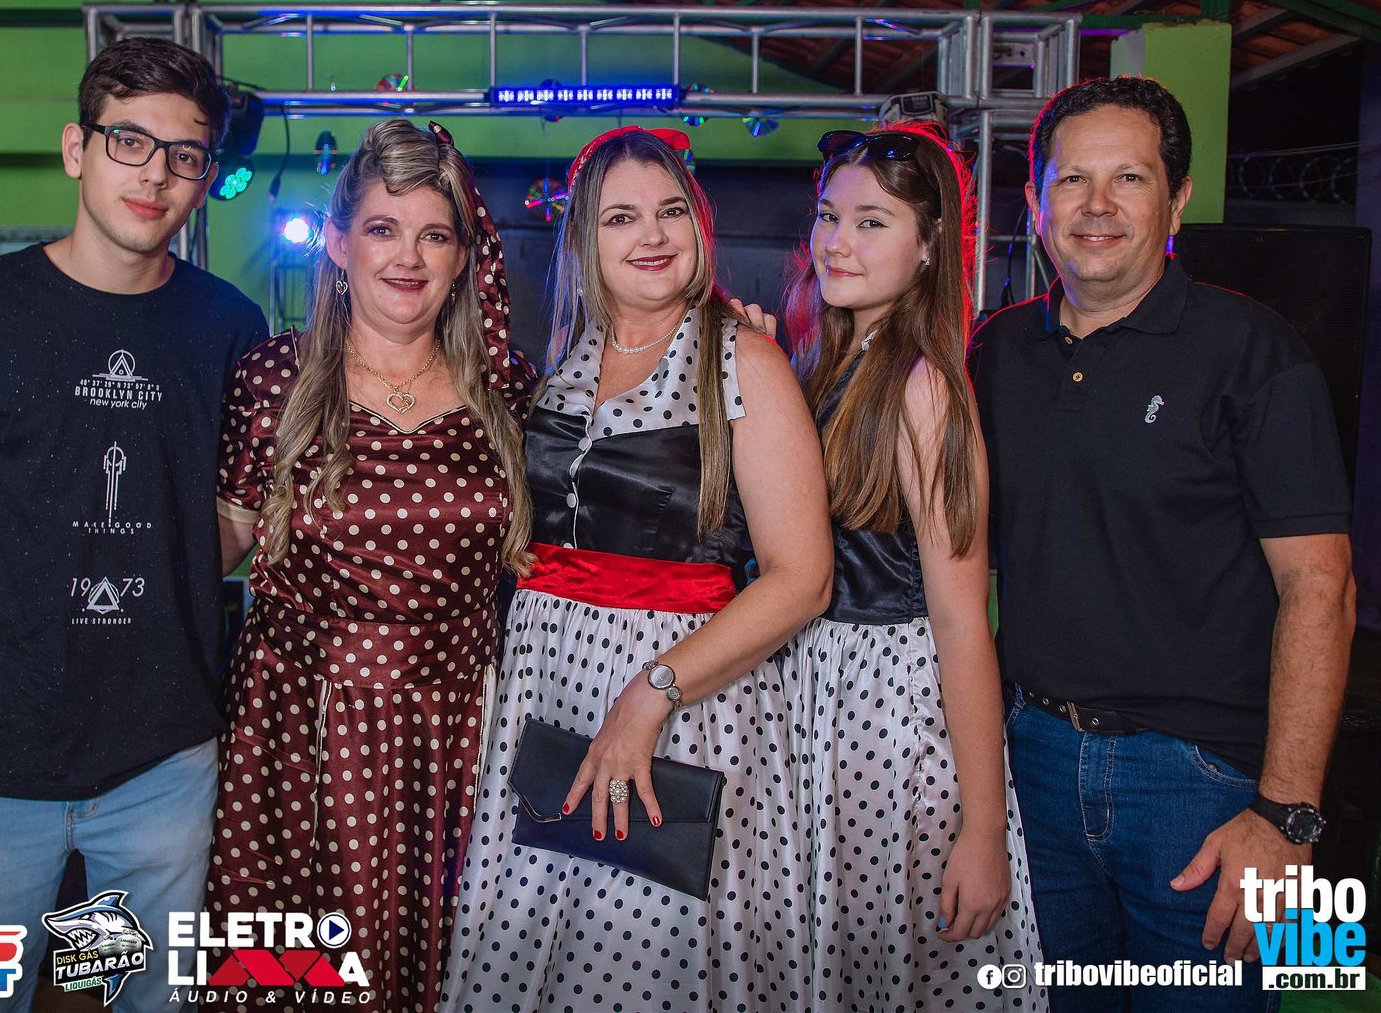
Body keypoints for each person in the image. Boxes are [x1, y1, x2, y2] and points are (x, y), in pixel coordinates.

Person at [0, 37, 268, 1012]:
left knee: (148, 998)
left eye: (184, 154)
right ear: (77, 148)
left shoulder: (231, 328)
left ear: (206, 177)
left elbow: (227, 525)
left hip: (163, 762)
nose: (155, 174)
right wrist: (17, 634)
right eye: (128, 141)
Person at [968, 76, 1355, 1011]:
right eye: (1072, 180)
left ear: (1176, 200)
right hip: (1031, 764)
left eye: (1130, 179)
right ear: (1036, 201)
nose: (1096, 206)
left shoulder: (1256, 349)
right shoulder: (994, 351)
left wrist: (1287, 817)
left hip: (1209, 784)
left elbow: (1323, 590)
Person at [439, 125, 834, 1013]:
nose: (652, 234)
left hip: (682, 706)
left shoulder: (743, 358)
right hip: (549, 695)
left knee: (647, 967)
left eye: (671, 211)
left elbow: (803, 577)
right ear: (584, 238)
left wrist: (651, 693)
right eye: (622, 217)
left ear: (699, 225)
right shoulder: (564, 365)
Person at [209, 119, 536, 1013]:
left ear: (464, 257)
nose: (408, 257)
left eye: (435, 234)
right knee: (300, 976)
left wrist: (717, 334)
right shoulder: (273, 379)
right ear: (338, 241)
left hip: (464, 729)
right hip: (301, 730)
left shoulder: (506, 387)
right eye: (383, 229)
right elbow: (215, 548)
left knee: (457, 967)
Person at [783, 124, 1046, 1011]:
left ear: (930, 246)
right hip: (814, 692)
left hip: (885, 711)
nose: (838, 241)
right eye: (829, 216)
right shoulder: (826, 362)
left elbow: (962, 618)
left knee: (890, 973)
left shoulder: (923, 386)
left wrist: (984, 827)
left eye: (871, 222)